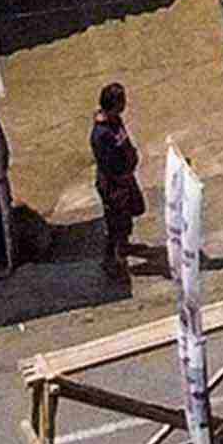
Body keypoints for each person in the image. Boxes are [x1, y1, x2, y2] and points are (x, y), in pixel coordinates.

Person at [87, 88, 140, 295]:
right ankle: (112, 262)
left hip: (125, 178)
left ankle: (124, 246)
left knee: (128, 215)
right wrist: (121, 180)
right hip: (114, 184)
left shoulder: (116, 122)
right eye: (122, 101)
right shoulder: (101, 134)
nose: (125, 104)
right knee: (115, 223)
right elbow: (108, 164)